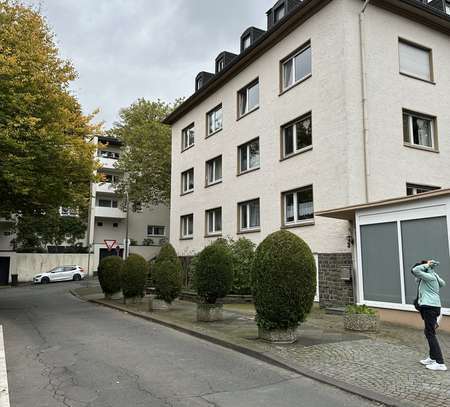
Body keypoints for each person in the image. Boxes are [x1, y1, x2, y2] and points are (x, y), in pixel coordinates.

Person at [412, 260, 447, 371]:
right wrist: (432, 271)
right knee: (428, 332)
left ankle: (440, 363)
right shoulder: (431, 277)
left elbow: (416, 270)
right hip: (434, 307)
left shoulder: (429, 277)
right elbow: (442, 283)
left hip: (430, 307)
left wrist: (427, 266)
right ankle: (432, 357)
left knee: (430, 333)